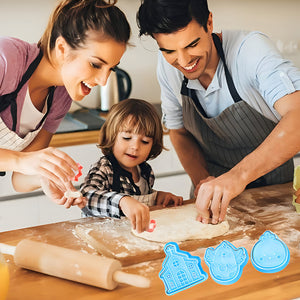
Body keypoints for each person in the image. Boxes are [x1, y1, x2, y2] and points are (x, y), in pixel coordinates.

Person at [137, 0, 300, 224]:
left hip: (272, 197)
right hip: (211, 201)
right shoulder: (168, 66)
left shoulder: (250, 50)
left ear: (209, 23)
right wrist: (203, 181)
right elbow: (179, 132)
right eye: (169, 51)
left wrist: (237, 177)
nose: (183, 61)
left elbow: (298, 117)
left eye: (192, 45)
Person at [0, 0, 130, 209]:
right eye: (95, 64)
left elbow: (19, 179)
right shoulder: (7, 58)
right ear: (62, 48)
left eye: (111, 68)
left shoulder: (60, 98)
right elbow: (21, 162)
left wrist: (44, 177)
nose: (103, 80)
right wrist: (22, 161)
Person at [80, 98, 183, 233]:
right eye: (127, 138)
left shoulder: (145, 171)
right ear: (111, 136)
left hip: (130, 238)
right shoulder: (105, 167)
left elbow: (141, 202)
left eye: (145, 141)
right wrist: (122, 201)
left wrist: (158, 198)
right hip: (102, 238)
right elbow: (86, 196)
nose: (135, 147)